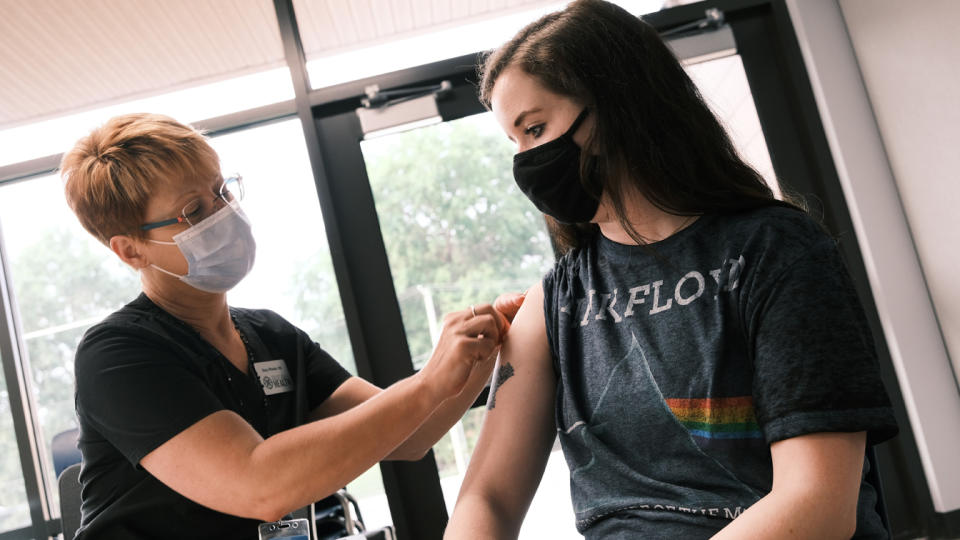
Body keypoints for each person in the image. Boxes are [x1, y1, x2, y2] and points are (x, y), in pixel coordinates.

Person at [445, 1, 898, 538]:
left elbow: (818, 502)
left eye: (536, 128)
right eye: (513, 142)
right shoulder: (555, 302)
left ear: (616, 106)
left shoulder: (775, 251)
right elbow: (487, 498)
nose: (526, 160)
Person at [61, 112, 514, 539]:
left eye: (222, 191)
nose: (223, 213)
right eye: (193, 211)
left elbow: (413, 434)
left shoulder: (269, 336)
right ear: (131, 250)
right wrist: (430, 381)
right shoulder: (118, 355)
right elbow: (260, 485)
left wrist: (486, 343)